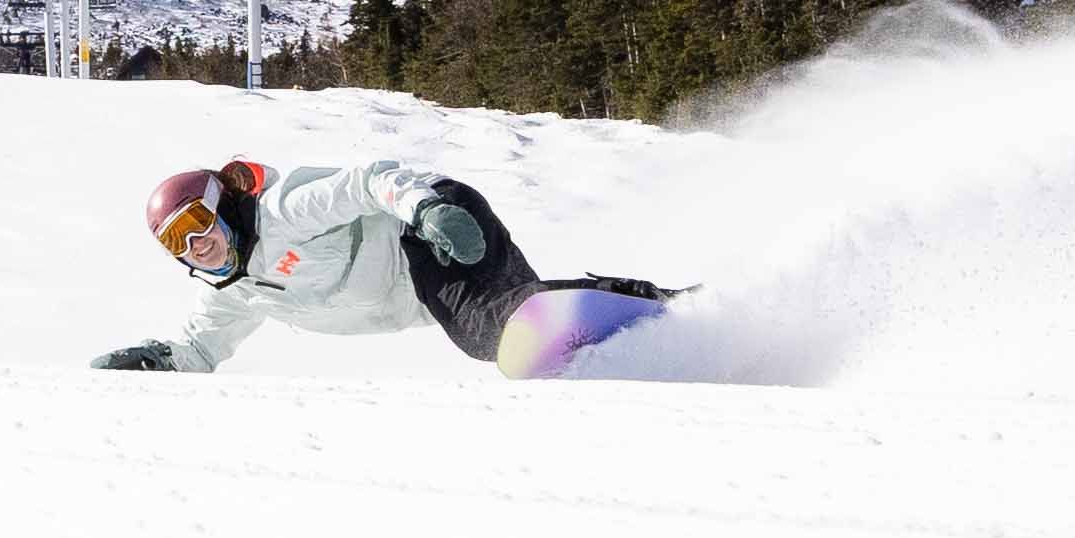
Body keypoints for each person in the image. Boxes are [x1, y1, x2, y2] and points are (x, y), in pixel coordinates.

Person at [99, 156, 673, 377]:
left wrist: (428, 209)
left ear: (222, 205)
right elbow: (200, 350)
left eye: (195, 223)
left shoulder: (283, 211)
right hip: (423, 293)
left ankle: (638, 301)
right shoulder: (236, 291)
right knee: (505, 321)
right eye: (175, 241)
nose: (194, 245)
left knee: (487, 332)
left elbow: (367, 181)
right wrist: (161, 366)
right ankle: (646, 306)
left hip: (424, 226)